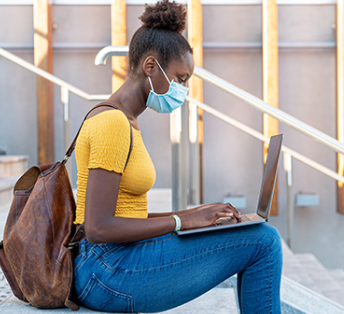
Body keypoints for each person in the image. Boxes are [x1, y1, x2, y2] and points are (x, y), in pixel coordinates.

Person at [72, 1, 283, 313]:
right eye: (181, 78)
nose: (184, 89)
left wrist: (200, 213)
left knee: (256, 235)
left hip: (114, 261)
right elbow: (99, 228)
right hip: (105, 272)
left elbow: (122, 217)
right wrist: (181, 221)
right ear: (150, 67)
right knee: (264, 241)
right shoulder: (111, 123)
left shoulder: (126, 121)